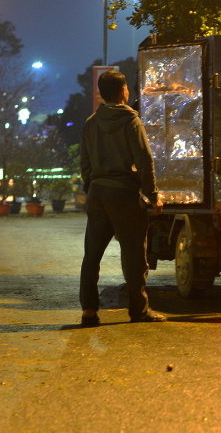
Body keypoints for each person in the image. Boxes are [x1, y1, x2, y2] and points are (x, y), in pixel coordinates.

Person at [79, 70, 165, 326]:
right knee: (134, 255)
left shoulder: (90, 123)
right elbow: (144, 159)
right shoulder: (131, 121)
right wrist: (153, 195)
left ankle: (89, 311)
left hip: (97, 193)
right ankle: (138, 310)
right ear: (123, 91)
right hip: (124, 194)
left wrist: (92, 188)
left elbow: (84, 163)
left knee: (92, 255)